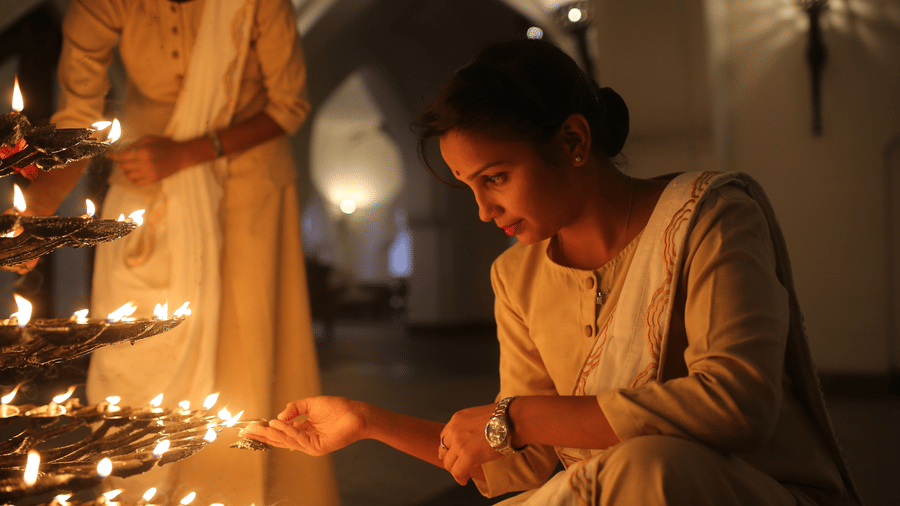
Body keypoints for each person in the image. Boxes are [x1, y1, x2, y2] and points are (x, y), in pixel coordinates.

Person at [242, 38, 865, 505]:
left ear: (571, 142)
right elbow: (521, 462)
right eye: (469, 188)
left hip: (743, 489)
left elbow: (736, 403)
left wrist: (522, 416)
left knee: (646, 467)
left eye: (495, 178)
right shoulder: (518, 277)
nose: (485, 211)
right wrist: (370, 423)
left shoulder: (709, 218)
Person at [22, 0, 340, 504]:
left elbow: (288, 106)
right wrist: (36, 218)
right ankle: (144, 489)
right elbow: (77, 119)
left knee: (241, 367)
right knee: (132, 355)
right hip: (147, 190)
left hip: (243, 190)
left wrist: (188, 153)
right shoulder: (102, 4)